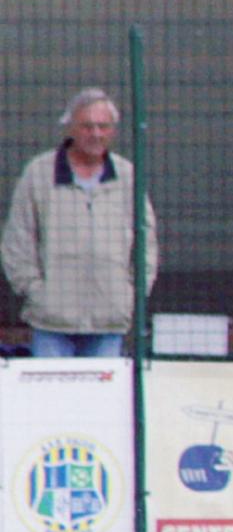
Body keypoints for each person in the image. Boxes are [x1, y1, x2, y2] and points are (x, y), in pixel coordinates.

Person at [2, 88, 158, 357]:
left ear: (113, 130)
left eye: (103, 126)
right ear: (70, 128)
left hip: (109, 317)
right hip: (52, 318)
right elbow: (18, 238)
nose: (95, 134)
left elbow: (147, 240)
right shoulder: (39, 173)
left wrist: (130, 292)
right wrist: (35, 290)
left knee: (101, 399)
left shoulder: (127, 175)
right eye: (87, 126)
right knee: (53, 397)